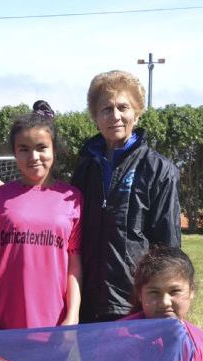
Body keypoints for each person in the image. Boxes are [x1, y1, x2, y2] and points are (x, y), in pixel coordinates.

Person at [72, 70, 182, 323]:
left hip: (133, 303)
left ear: (137, 112)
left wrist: (160, 301)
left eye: (123, 107)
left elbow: (168, 244)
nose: (115, 116)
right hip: (87, 301)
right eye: (106, 109)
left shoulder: (159, 169)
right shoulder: (85, 168)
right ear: (95, 117)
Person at [0, 100, 82, 331]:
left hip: (54, 326)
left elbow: (74, 265)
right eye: (24, 149)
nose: (34, 156)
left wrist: (72, 316)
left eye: (41, 147)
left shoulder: (72, 197)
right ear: (14, 152)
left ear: (54, 150)